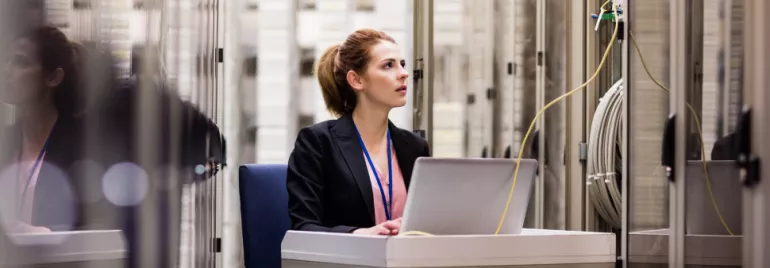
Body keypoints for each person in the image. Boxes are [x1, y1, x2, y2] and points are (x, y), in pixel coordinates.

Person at [287, 29, 430, 236]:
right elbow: (304, 227)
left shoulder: (415, 146)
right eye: (388, 65)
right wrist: (359, 234)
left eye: (402, 64)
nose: (404, 73)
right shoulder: (318, 142)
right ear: (356, 80)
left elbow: (426, 223)